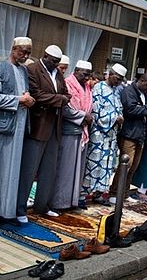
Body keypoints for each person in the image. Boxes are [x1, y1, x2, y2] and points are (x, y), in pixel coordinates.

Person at [0, 37, 35, 227]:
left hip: (18, 128)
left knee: (12, 173)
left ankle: (5, 212)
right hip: (1, 128)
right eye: (22, 51)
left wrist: (27, 100)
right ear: (13, 49)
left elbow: (25, 95)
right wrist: (20, 100)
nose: (25, 55)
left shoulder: (23, 70)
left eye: (28, 52)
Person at [16, 45, 70, 222]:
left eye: (58, 62)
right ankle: (20, 209)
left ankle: (42, 206)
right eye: (53, 61)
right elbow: (37, 95)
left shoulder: (58, 73)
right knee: (29, 171)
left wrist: (60, 99)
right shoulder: (32, 70)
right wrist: (59, 100)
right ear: (45, 56)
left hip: (55, 126)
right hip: (38, 126)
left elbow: (66, 94)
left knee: (49, 171)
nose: (55, 64)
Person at [51, 60, 93, 211]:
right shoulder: (67, 83)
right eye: (84, 74)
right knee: (65, 169)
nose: (86, 77)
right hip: (69, 130)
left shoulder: (87, 87)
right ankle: (59, 202)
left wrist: (87, 117)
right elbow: (66, 109)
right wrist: (83, 116)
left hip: (82, 131)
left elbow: (89, 107)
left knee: (78, 170)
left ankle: (71, 201)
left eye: (88, 74)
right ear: (76, 71)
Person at [83, 64, 126, 206]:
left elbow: (119, 108)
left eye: (121, 80)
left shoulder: (116, 91)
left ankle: (99, 194)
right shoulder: (99, 88)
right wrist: (114, 118)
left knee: (106, 165)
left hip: (111, 136)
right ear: (111, 74)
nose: (119, 82)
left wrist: (120, 118)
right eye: (117, 78)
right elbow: (95, 111)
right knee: (93, 164)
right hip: (99, 133)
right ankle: (82, 195)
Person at [109, 73, 147, 203]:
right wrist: (146, 109)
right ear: (141, 80)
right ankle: (114, 192)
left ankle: (124, 192)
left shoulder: (144, 93)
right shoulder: (129, 91)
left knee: (134, 166)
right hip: (128, 133)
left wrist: (145, 108)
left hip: (140, 133)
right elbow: (130, 109)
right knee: (125, 165)